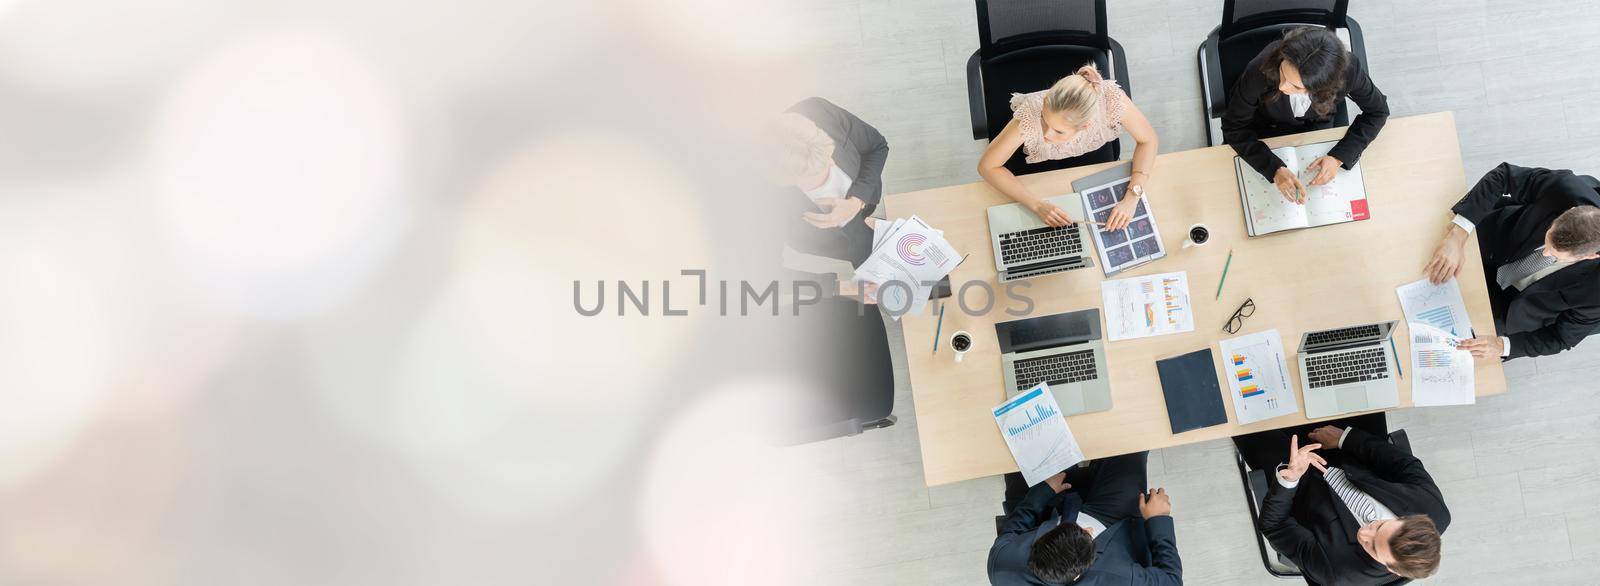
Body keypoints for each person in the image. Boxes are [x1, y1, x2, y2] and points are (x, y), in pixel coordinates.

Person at [1232, 414, 1446, 584]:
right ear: (1406, 518)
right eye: (1378, 526)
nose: (1365, 533)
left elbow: (1273, 526)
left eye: (1372, 547)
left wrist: (1290, 478)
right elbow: (1405, 465)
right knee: (1355, 371)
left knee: (1238, 411)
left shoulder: (1335, 571)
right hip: (1352, 451)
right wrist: (1346, 439)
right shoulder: (1434, 510)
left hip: (1299, 483)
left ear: (1390, 568)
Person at [1422, 162, 1600, 360]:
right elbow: (1503, 176)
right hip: (1497, 243)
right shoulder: (1565, 188)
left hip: (1514, 307)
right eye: (1548, 239)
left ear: (1591, 256)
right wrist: (1458, 235)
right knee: (1424, 264)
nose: (1545, 253)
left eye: (1556, 255)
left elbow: (1562, 338)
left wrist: (1502, 346)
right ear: (1570, 211)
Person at [978, 64, 1160, 231]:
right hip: (1040, 168)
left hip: (1090, 160)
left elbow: (1148, 140)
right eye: (1044, 119)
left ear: (1085, 126)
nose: (1046, 135)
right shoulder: (1030, 115)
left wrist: (1132, 197)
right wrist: (1036, 205)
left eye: (1058, 131)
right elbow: (987, 166)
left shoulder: (1113, 101)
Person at [1223, 26, 1389, 204]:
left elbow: (1378, 112)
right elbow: (1233, 127)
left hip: (1317, 125)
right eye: (1283, 74)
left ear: (1323, 89)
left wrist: (1339, 157)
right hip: (1265, 129)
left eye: (1295, 87)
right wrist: (1273, 169)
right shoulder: (1260, 68)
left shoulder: (1349, 71)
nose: (1282, 87)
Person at [987, 453, 1181, 585]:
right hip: (1112, 523)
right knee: (1129, 449)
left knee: (1031, 447)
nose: (1086, 529)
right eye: (1086, 534)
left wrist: (1043, 492)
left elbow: (1012, 530)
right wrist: (1158, 519)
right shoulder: (1120, 577)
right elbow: (1172, 580)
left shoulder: (1002, 565)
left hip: (1047, 512)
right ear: (1082, 571)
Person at [773, 97, 890, 268]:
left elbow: (877, 146)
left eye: (829, 152)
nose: (833, 163)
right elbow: (770, 274)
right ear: (786, 181)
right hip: (840, 243)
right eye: (819, 169)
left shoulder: (818, 111)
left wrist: (857, 201)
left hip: (866, 200)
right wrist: (838, 287)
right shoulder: (766, 202)